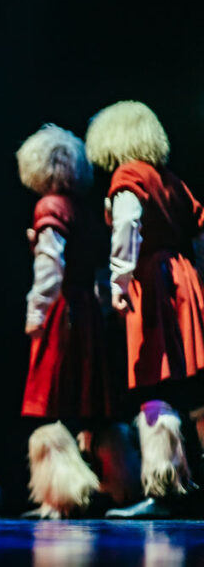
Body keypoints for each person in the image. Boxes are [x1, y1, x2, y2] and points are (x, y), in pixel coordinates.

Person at [84, 101, 204, 518]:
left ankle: (165, 490)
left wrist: (120, 281)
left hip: (154, 282)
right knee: (191, 383)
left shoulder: (128, 175)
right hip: (183, 278)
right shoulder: (171, 180)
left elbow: (127, 226)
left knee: (155, 383)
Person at [15, 125, 137, 518]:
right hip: (87, 310)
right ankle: (116, 485)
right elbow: (101, 265)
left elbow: (49, 265)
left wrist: (37, 310)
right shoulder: (84, 210)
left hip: (63, 310)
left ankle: (63, 495)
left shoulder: (50, 207)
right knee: (91, 402)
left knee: (53, 400)